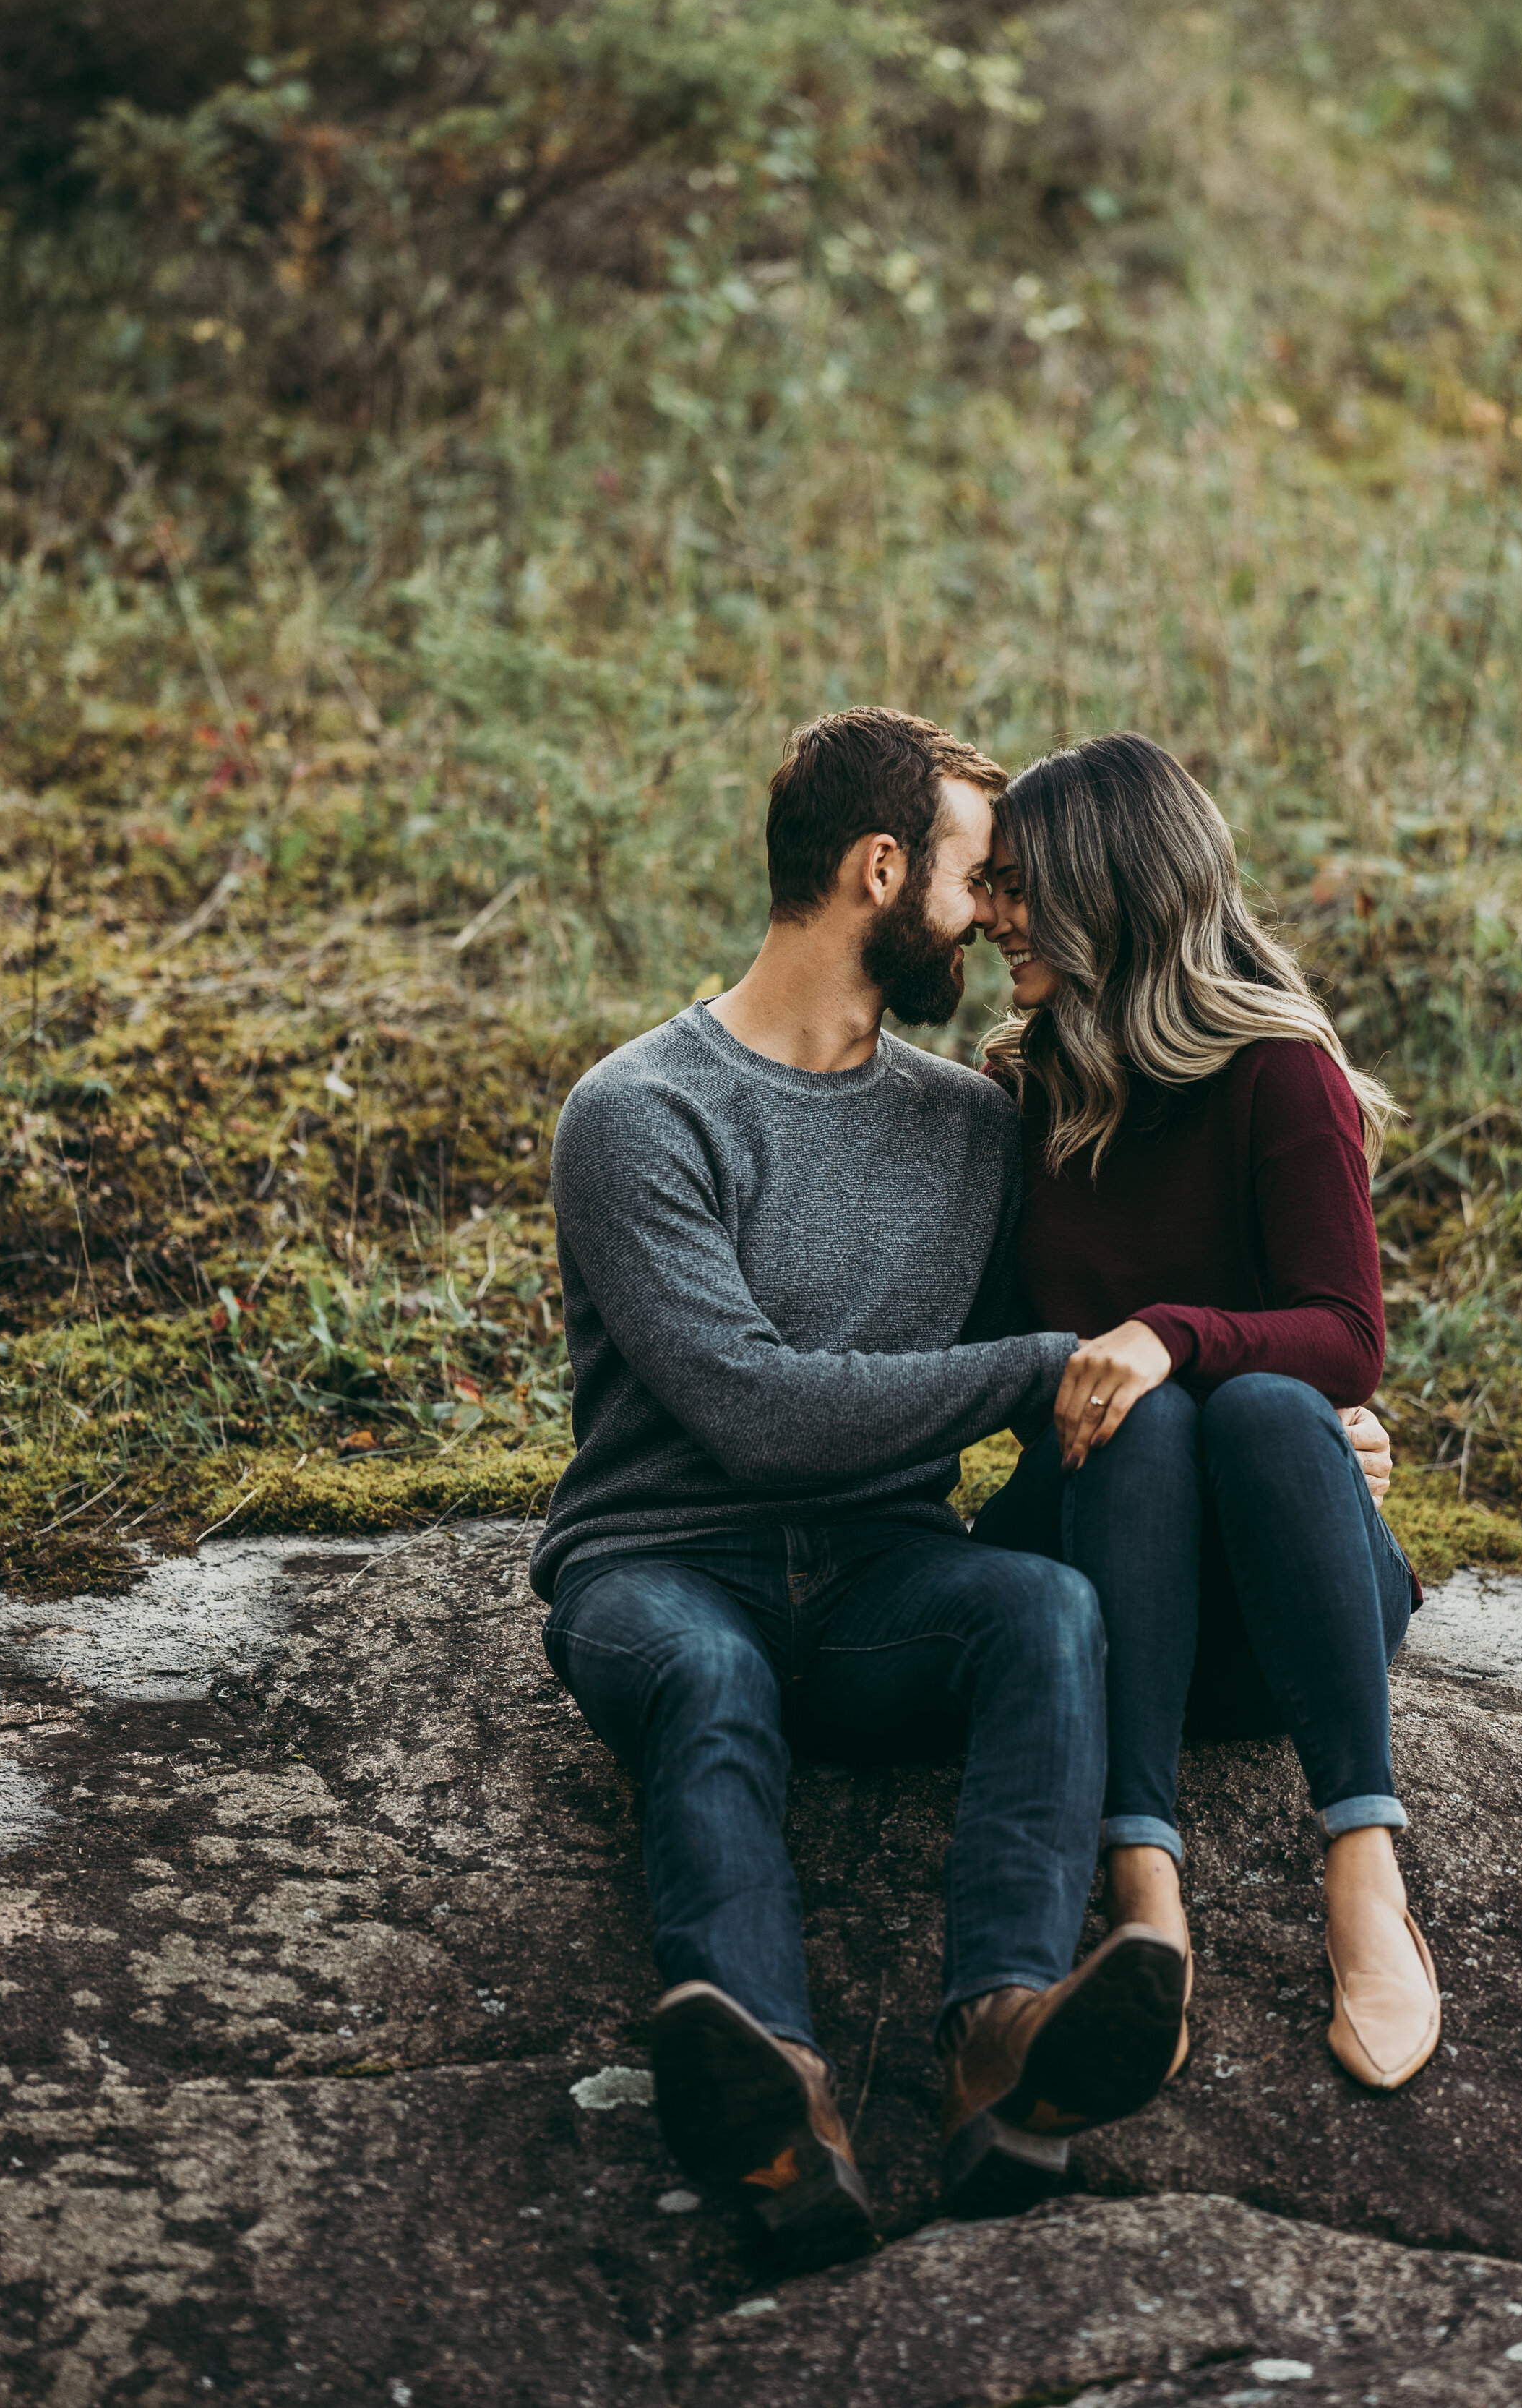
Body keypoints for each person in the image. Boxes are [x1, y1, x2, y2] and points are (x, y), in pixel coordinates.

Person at [533, 708, 1191, 2258]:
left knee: (1039, 1609)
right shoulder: (638, 1113)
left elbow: (1132, 1305)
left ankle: (1006, 2042)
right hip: (663, 1566)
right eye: (981, 876)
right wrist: (1039, 1365)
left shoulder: (974, 1123)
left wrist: (1279, 1389)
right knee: (701, 1671)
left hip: (886, 1583)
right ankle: (775, 2105)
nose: (1000, 915)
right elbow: (750, 1413)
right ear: (879, 868)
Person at [973, 732, 1440, 2095]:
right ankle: (1144, 1888)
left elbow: (1347, 1336)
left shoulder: (1276, 1071)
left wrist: (1175, 1337)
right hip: (1118, 1590)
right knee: (1162, 1423)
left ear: (1106, 889)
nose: (991, 914)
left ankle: (1363, 1865)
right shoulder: (1025, 1093)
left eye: (1016, 886)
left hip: (1280, 1600)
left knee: (1261, 1416)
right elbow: (986, 1351)